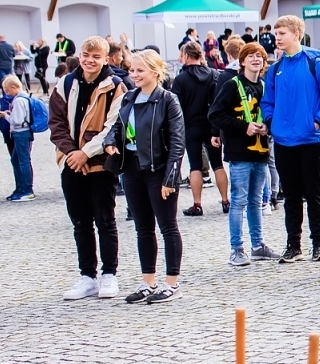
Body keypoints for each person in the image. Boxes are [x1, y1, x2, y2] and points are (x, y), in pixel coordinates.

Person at [50, 36, 128, 300]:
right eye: (86, 55)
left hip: (101, 164)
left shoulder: (115, 86)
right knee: (80, 222)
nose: (90, 60)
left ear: (106, 59)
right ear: (79, 56)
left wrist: (86, 152)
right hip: (71, 162)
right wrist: (73, 153)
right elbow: (57, 122)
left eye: (96, 56)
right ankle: (87, 275)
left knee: (105, 221)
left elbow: (113, 126)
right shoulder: (66, 83)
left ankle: (109, 274)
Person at [104, 51, 186, 303]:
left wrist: (170, 178)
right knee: (143, 228)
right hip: (132, 169)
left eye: (140, 70)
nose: (134, 75)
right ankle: (148, 282)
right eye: (132, 70)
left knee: (167, 227)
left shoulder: (167, 100)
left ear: (155, 72)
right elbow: (117, 126)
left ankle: (171, 283)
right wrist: (109, 142)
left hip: (158, 171)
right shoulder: (129, 97)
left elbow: (177, 141)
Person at [259, 15, 320, 263]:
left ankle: (319, 244)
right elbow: (267, 101)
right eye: (276, 33)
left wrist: (318, 120)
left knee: (314, 194)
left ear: (296, 34)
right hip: (284, 141)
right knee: (291, 195)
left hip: (311, 139)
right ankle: (293, 244)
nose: (277, 38)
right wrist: (272, 122)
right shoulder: (274, 70)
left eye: (281, 33)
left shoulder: (316, 65)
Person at [209, 42, 279, 265]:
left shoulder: (264, 85)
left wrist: (268, 126)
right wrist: (243, 127)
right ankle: (236, 248)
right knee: (238, 200)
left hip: (260, 151)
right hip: (239, 152)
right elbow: (215, 114)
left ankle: (257, 245)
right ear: (242, 61)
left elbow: (270, 112)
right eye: (251, 56)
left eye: (260, 56)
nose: (256, 59)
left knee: (256, 200)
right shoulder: (232, 85)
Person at [170, 41, 229, 217]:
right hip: (212, 126)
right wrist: (216, 129)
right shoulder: (213, 74)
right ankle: (226, 201)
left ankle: (197, 204)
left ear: (187, 56)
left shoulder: (180, 79)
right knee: (218, 164)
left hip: (191, 127)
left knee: (195, 166)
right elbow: (218, 102)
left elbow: (176, 108)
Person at [0, 75, 35, 200]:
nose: (7, 93)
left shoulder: (19, 100)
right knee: (16, 160)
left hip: (21, 133)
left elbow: (17, 120)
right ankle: (20, 188)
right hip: (22, 132)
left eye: (8, 90)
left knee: (23, 161)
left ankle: (26, 190)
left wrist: (6, 116)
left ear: (14, 87)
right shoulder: (23, 98)